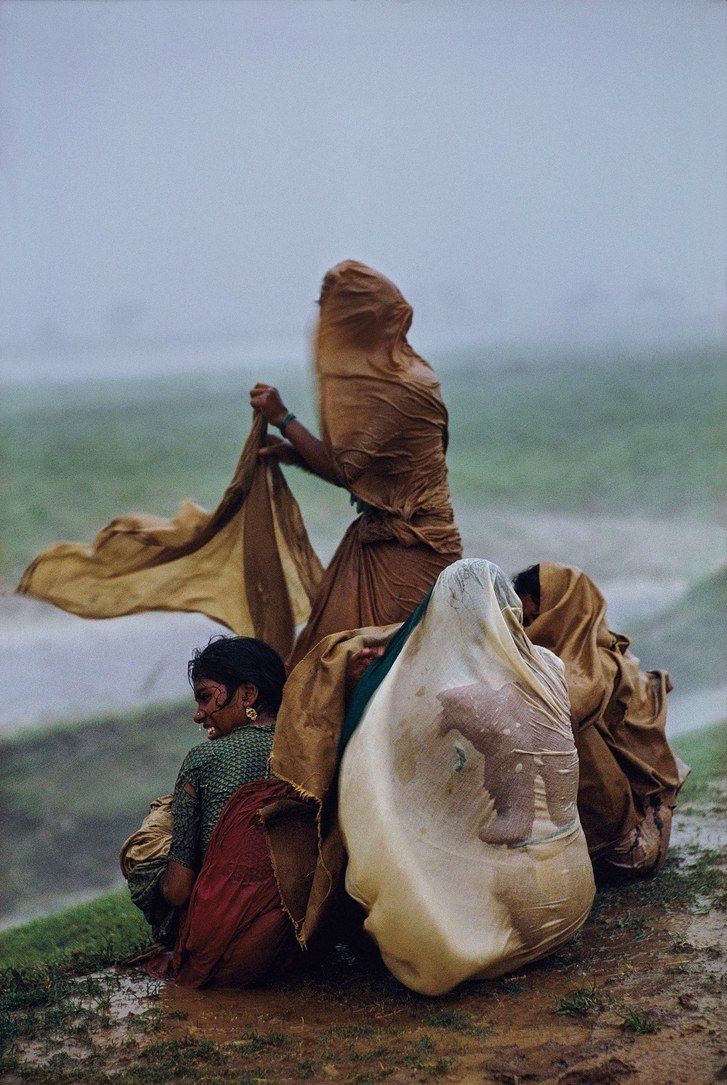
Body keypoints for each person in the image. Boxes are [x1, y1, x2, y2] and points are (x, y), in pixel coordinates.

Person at [336, 558, 595, 995]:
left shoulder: (452, 697)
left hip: (520, 905)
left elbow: (386, 755)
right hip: (576, 898)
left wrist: (373, 680)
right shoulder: (551, 668)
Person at [250, 259, 462, 669]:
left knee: (380, 672)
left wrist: (284, 419)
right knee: (318, 665)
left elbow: (348, 469)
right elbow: (361, 472)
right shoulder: (397, 374)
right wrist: (297, 456)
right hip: (375, 542)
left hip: (413, 551)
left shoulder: (403, 386)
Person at [123, 635, 300, 988]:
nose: (198, 714)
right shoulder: (311, 749)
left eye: (205, 697)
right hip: (299, 939)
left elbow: (177, 891)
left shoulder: (202, 760)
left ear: (247, 695)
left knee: (149, 837)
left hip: (218, 948)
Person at [512, 562, 688, 880]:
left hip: (627, 852)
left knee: (553, 723)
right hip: (608, 843)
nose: (525, 629)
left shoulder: (593, 669)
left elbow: (567, 706)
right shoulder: (591, 660)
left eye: (533, 618)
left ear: (561, 609)